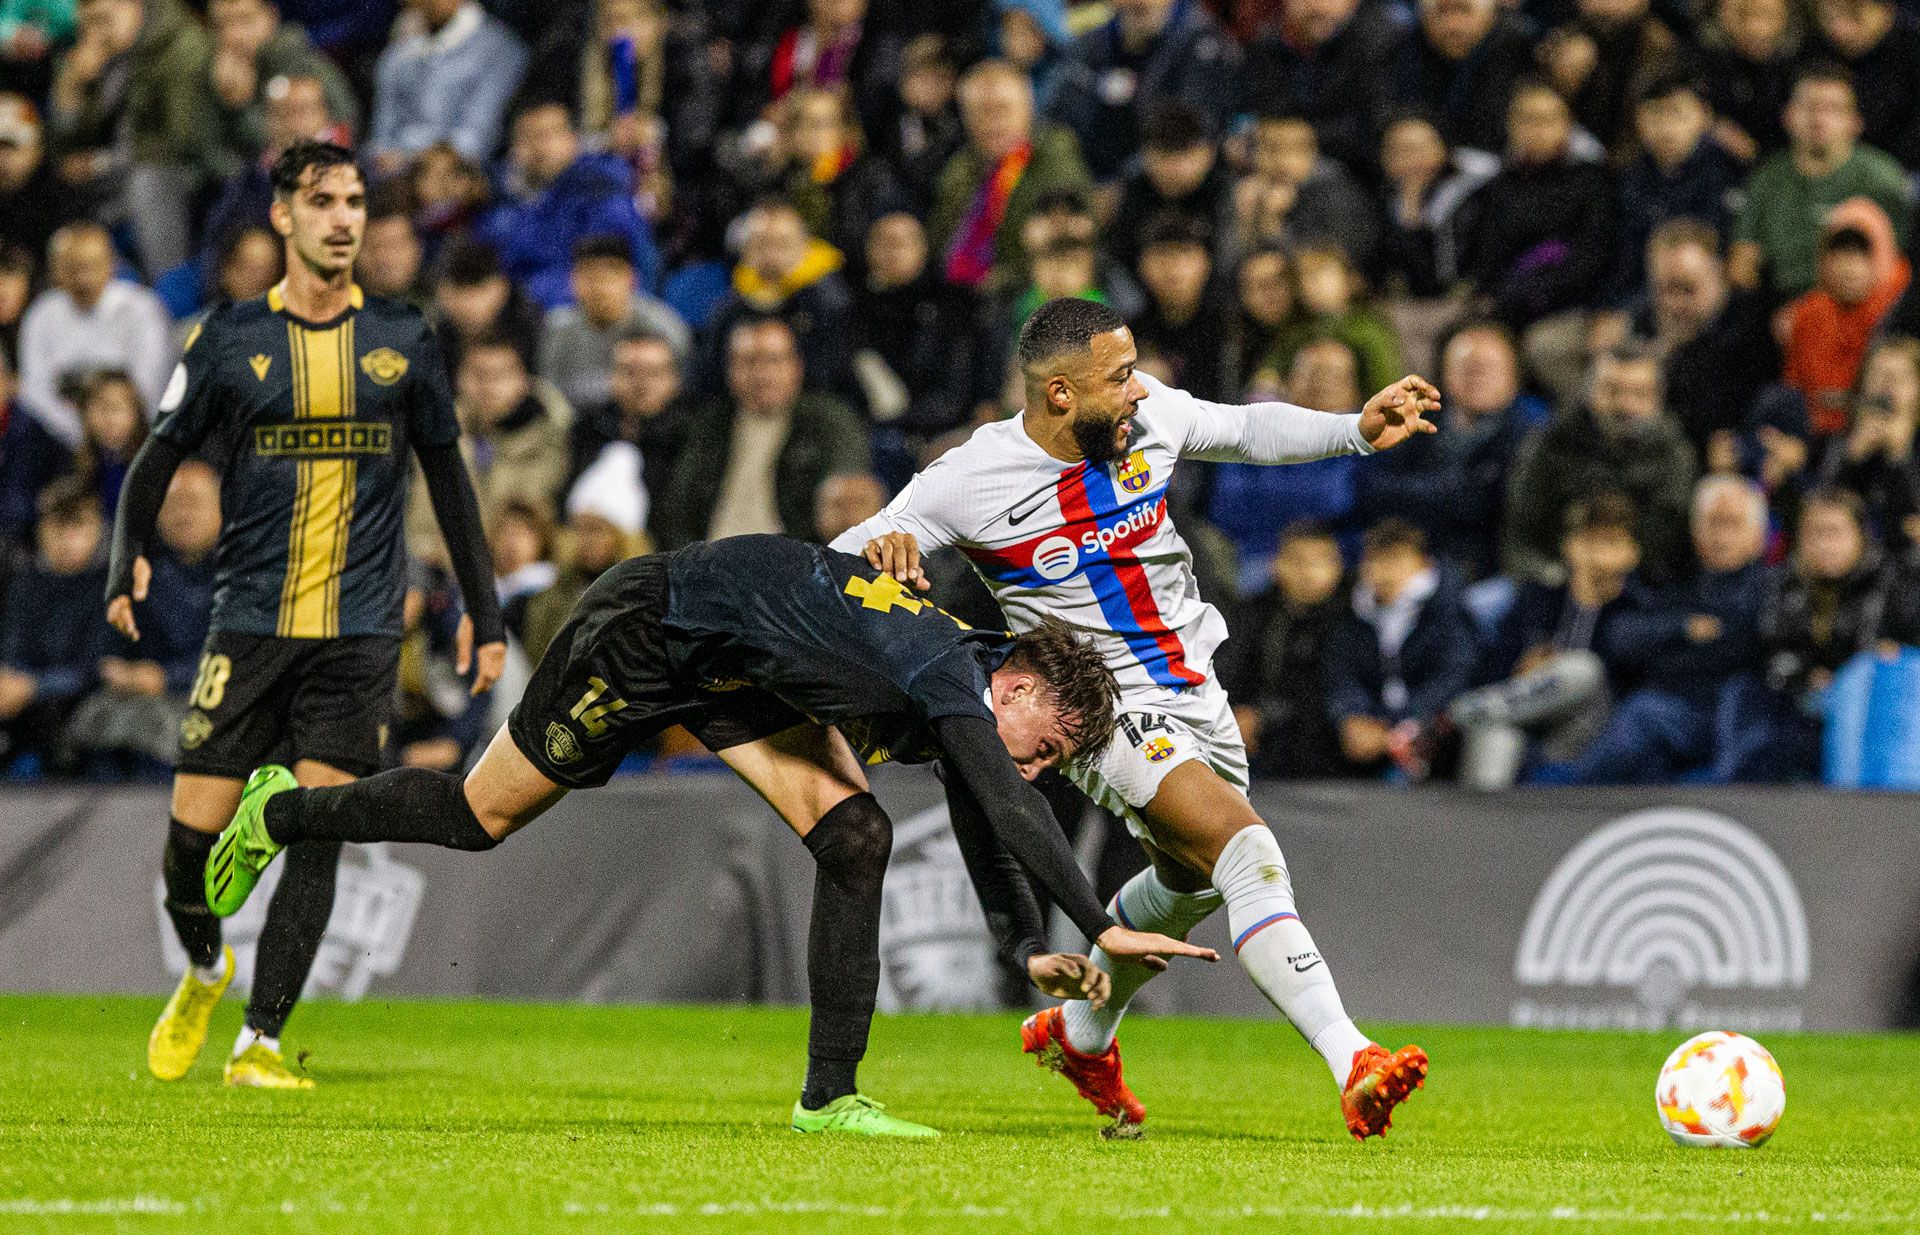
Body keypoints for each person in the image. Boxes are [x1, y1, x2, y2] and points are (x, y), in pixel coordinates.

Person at [205, 533, 1214, 1135]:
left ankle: (829, 1097)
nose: (1042, 764)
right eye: (1050, 743)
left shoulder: (966, 677)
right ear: (1023, 687)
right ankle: (280, 807)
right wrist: (1097, 924)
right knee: (480, 817)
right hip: (650, 631)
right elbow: (1005, 800)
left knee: (856, 832)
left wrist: (1021, 938)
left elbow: (982, 793)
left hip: (737, 671)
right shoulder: (946, 666)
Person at [837, 297, 1436, 1140]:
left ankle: (1080, 1038)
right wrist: (879, 548)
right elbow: (843, 557)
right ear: (1057, 395)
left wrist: (1354, 430)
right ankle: (1352, 1057)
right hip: (1097, 708)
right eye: (1116, 378)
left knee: (1190, 880)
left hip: (1197, 688)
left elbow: (1242, 429)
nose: (1135, 391)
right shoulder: (970, 478)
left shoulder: (1146, 414)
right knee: (1246, 850)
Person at [103, 141, 505, 1090]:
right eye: (323, 201)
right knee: (186, 856)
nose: (343, 219)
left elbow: (448, 479)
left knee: (320, 829)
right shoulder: (229, 339)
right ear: (282, 215)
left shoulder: (405, 337)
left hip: (360, 630)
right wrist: (128, 561)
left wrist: (482, 615)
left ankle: (261, 1043)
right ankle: (206, 968)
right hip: (249, 623)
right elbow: (155, 462)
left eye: (356, 201)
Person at [1558, 475, 1770, 783]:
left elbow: (1738, 649)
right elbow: (1621, 638)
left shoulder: (1768, 588)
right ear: (1697, 531)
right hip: (1662, 712)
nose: (1721, 536)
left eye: (1733, 524)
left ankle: (1560, 802)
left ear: (1757, 536)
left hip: (1721, 716)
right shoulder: (1673, 578)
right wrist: (1683, 628)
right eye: (1713, 523)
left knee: (1643, 715)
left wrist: (1666, 648)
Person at [1448, 492, 1642, 789]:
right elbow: (1490, 668)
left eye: (1610, 542)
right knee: (1497, 734)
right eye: (1588, 541)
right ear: (1570, 545)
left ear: (1632, 552)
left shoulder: (1637, 609)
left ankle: (1467, 712)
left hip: (1592, 731)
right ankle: (1483, 835)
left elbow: (1628, 686)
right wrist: (1521, 671)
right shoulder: (1537, 599)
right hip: (1529, 723)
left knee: (1582, 669)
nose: (1596, 554)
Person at [1503, 343, 1697, 586]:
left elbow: (1672, 536)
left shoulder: (1675, 453)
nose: (1625, 405)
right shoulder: (1552, 442)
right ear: (1589, 392)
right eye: (1612, 391)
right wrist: (1559, 574)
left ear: (1657, 399)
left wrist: (1618, 564)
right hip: (1554, 579)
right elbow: (1522, 529)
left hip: (1644, 588)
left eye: (1639, 393)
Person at [662, 317, 868, 548]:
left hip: (796, 563)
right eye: (749, 362)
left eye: (773, 361)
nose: (761, 375)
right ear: (731, 369)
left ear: (795, 368)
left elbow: (851, 484)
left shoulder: (829, 420)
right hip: (712, 562)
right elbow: (680, 505)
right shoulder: (710, 424)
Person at [1729, 64, 1911, 300]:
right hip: (1780, 303)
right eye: (1809, 107)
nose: (1819, 119)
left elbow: (1895, 270)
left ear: (1855, 122)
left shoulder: (1881, 177)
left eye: (1834, 109)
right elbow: (1742, 262)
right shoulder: (1768, 176)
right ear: (1788, 116)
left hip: (1856, 306)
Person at [1323, 519, 1476, 779]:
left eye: (1396, 562)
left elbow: (1454, 677)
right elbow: (1340, 675)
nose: (1385, 573)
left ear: (1423, 565)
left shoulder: (1448, 612)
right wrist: (1353, 716)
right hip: (1368, 732)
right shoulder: (1350, 614)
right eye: (1375, 562)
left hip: (1436, 732)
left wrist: (1400, 725)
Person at [929, 59, 1091, 296]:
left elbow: (1066, 238)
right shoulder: (959, 167)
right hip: (957, 294)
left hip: (1025, 296)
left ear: (1028, 109)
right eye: (982, 111)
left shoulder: (1054, 155)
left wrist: (1003, 280)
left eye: (1002, 109)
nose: (993, 121)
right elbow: (939, 237)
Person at [1042, 0, 1241, 183]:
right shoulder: (1088, 45)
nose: (1140, 3)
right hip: (1088, 184)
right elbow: (1058, 121)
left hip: (1164, 189)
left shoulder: (1205, 47)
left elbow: (1193, 134)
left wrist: (1126, 186)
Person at [16, 222, 172, 450]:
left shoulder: (142, 309)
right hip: (65, 443)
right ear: (54, 270)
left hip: (138, 435)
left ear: (112, 264)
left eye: (92, 266)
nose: (83, 279)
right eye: (72, 268)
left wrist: (115, 427)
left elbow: (151, 384)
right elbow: (36, 391)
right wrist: (84, 437)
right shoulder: (41, 315)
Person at [1217, 520, 1349, 780]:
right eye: (1298, 561)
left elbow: (1327, 692)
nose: (1309, 573)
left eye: (1321, 561)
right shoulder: (1251, 614)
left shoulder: (1353, 617)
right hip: (1258, 753)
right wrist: (1233, 713)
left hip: (1333, 759)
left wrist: (1262, 715)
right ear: (1275, 565)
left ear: (1338, 568)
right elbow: (1226, 671)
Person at [1782, 213, 1910, 438]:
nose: (1850, 267)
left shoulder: (1894, 313)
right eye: (1840, 255)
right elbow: (1794, 385)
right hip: (1810, 433)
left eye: (1860, 256)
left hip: (1870, 430)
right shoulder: (1810, 313)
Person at [537, 234, 688, 412]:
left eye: (610, 275)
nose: (600, 287)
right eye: (589, 275)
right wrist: (611, 386)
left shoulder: (663, 326)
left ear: (631, 278)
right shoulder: (556, 327)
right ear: (573, 281)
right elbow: (548, 393)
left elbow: (680, 390)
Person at [367, 0, 526, 169]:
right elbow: (381, 133)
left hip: (463, 172)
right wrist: (385, 157)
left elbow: (478, 137)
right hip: (396, 173)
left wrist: (416, 160)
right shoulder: (397, 54)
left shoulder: (500, 48)